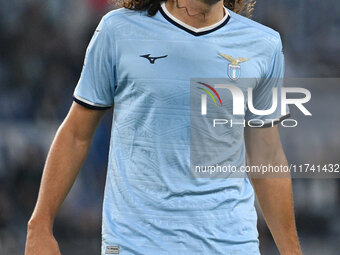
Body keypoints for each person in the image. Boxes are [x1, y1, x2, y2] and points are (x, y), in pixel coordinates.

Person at [25, 0, 303, 254]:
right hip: (136, 243)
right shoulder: (118, 30)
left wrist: (291, 250)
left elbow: (266, 158)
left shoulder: (263, 44)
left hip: (231, 244)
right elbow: (76, 134)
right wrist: (40, 224)